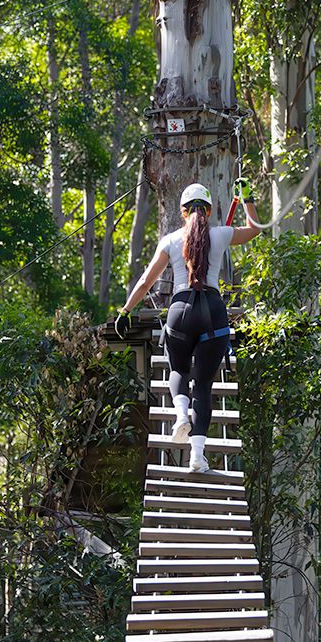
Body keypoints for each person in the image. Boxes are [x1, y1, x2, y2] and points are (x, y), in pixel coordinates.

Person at [118, 179, 261, 472]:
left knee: (179, 371)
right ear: (208, 211)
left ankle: (181, 414)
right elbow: (254, 230)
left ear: (183, 212)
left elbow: (145, 281)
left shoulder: (170, 240)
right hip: (213, 311)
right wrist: (247, 199)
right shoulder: (221, 234)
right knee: (204, 386)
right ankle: (197, 457)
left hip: (180, 310)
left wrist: (126, 310)